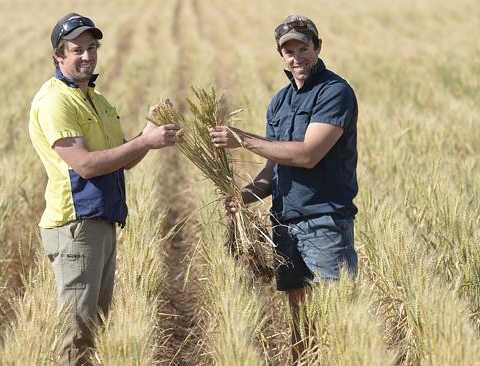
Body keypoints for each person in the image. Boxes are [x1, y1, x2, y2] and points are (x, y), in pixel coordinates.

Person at [28, 13, 180, 365]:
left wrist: (147, 135)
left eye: (92, 48)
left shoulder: (96, 100)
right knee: (76, 330)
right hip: (75, 225)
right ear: (58, 56)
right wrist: (146, 141)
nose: (86, 56)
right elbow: (86, 164)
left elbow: (121, 159)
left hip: (101, 222)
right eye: (77, 49)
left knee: (96, 325)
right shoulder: (55, 102)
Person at [209, 14, 359, 363]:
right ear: (280, 55)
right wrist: (243, 197)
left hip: (324, 222)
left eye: (303, 48)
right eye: (288, 51)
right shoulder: (279, 102)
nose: (296, 58)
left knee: (341, 317)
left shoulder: (335, 92)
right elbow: (273, 171)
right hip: (286, 224)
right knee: (300, 320)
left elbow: (308, 155)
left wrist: (243, 140)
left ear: (318, 48)